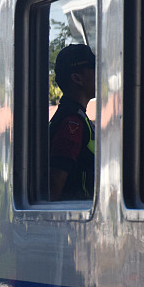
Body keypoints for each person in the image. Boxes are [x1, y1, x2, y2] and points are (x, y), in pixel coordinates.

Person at [49, 43, 96, 201]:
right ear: (77, 78)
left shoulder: (77, 117)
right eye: (93, 66)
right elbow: (55, 183)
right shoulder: (71, 122)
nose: (100, 72)